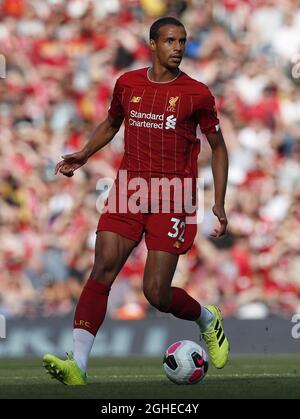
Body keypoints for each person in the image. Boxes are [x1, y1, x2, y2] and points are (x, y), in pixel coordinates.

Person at [43, 16, 230, 385]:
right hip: (128, 190)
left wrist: (219, 202)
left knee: (156, 294)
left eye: (182, 41)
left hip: (173, 197)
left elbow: (219, 148)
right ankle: (78, 366)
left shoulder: (197, 94)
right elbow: (113, 123)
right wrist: (84, 154)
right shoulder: (127, 84)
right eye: (170, 41)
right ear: (153, 44)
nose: (178, 48)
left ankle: (206, 319)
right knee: (103, 268)